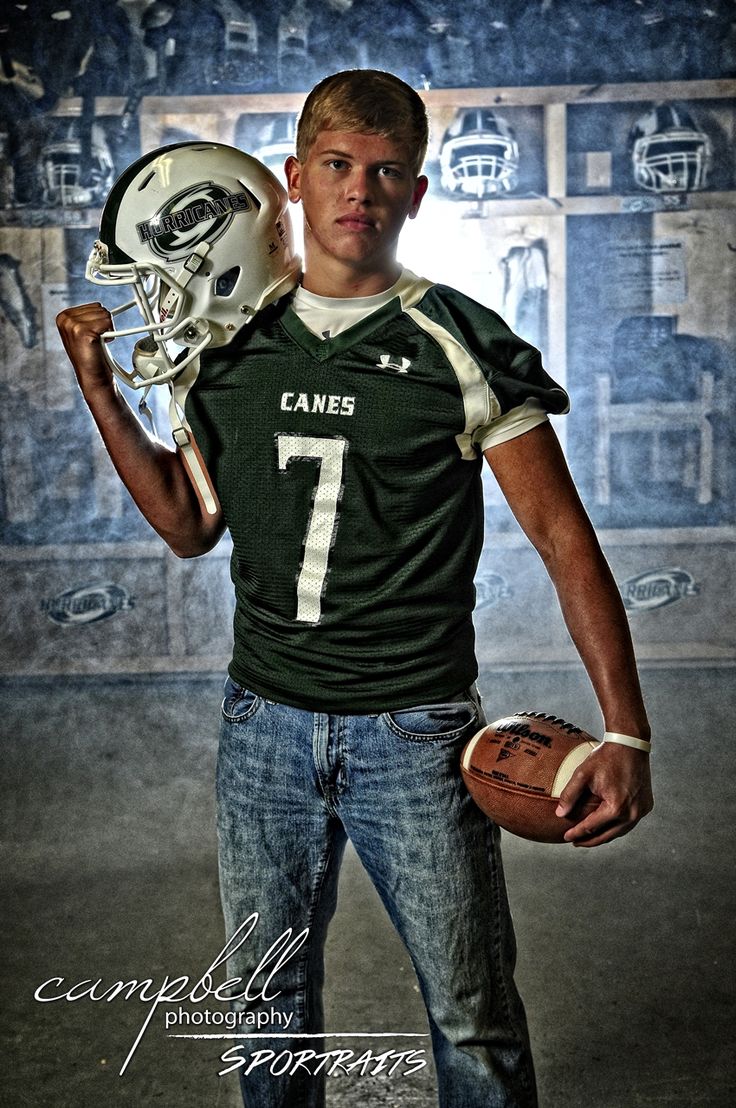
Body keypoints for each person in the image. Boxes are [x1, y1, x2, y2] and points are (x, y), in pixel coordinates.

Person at [56, 68, 653, 1108]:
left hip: (412, 730)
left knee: (470, 1012)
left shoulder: (459, 342)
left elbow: (562, 539)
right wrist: (103, 394)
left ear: (416, 194)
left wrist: (627, 732)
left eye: (385, 173)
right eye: (335, 166)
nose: (358, 191)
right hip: (262, 726)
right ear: (293, 179)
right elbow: (191, 526)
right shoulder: (224, 340)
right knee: (263, 1006)